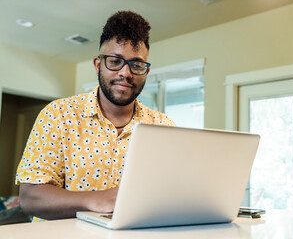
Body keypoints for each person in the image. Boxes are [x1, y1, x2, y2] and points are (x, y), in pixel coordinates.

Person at [15, 11, 175, 221]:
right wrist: (96, 200)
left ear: (145, 70)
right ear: (98, 64)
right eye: (115, 61)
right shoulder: (58, 115)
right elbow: (30, 198)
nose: (126, 73)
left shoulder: (163, 126)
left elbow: (173, 191)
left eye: (136, 65)